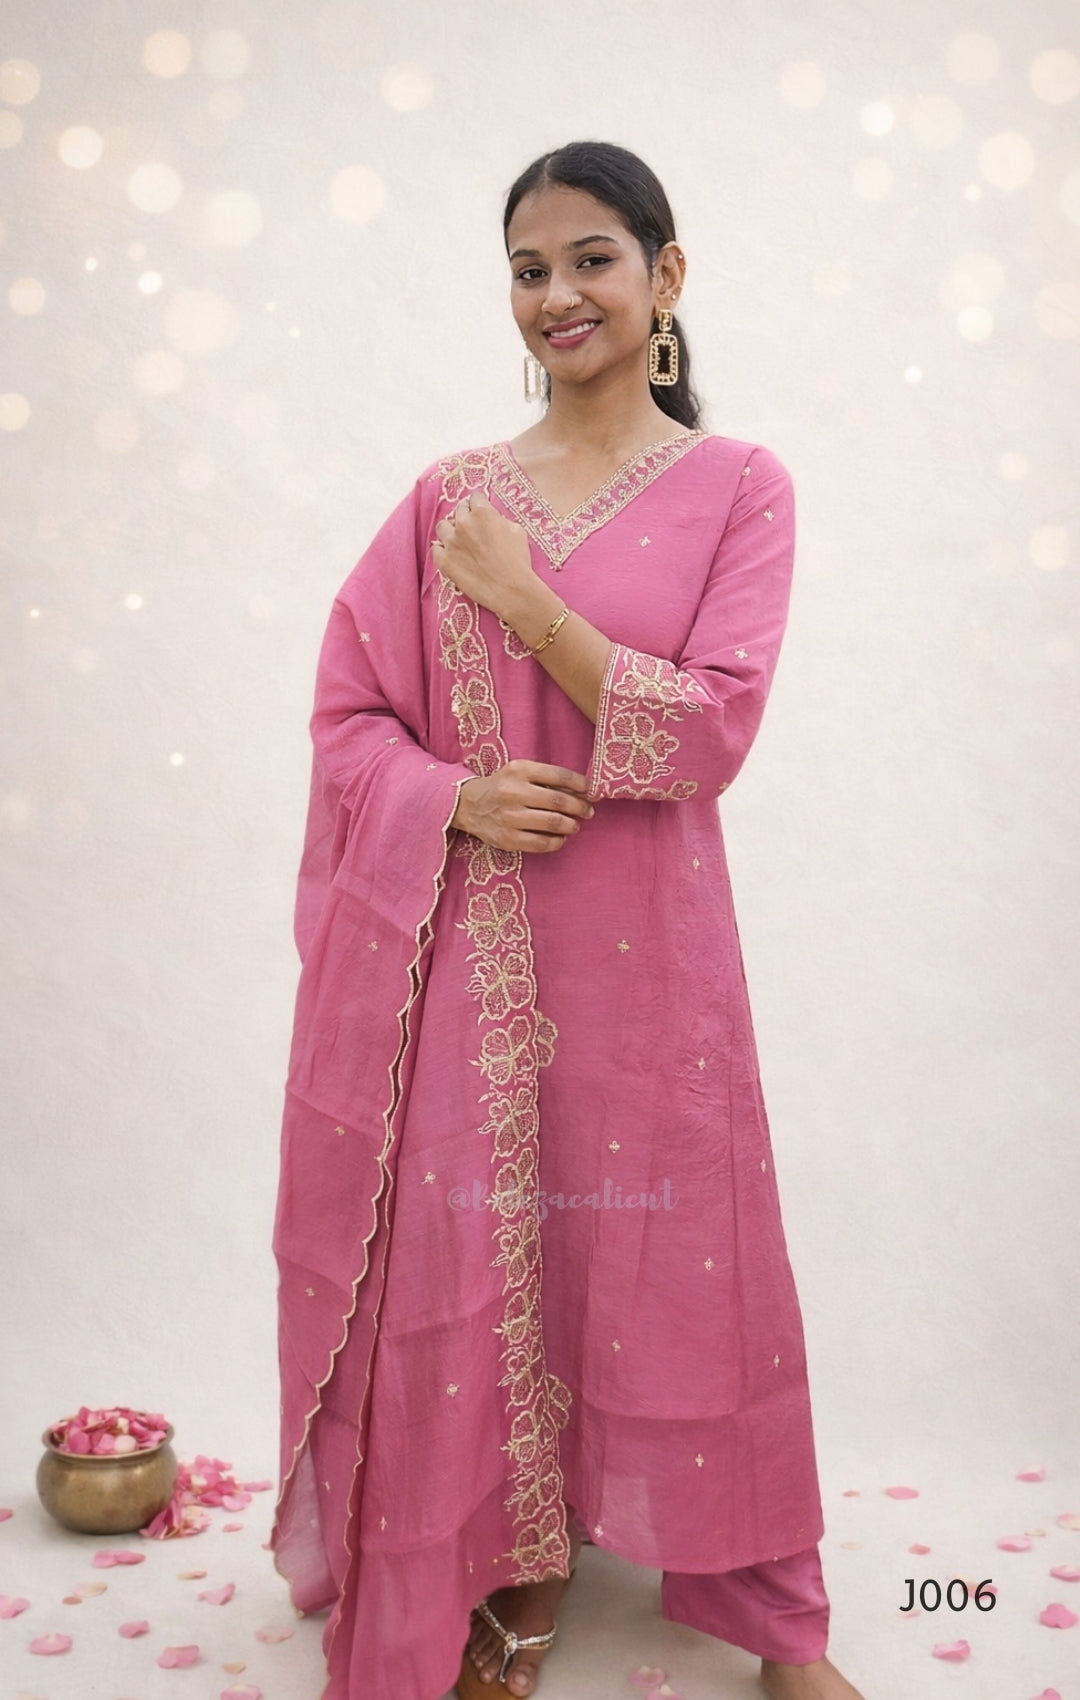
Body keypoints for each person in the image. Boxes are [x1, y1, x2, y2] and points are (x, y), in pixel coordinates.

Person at [270, 140, 867, 1700]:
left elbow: (714, 731)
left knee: (689, 1270)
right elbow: (349, 722)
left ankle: (773, 1618)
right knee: (490, 1261)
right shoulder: (444, 497)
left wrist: (531, 602)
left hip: (655, 973)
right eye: (530, 268)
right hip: (472, 962)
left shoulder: (742, 487)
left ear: (665, 279)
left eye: (591, 259)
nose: (558, 295)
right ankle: (510, 1566)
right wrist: (450, 801)